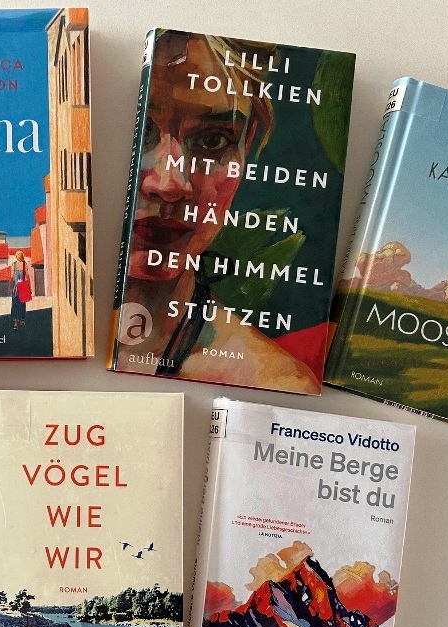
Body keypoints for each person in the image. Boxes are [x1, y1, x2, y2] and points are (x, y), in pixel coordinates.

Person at [116, 31, 318, 392]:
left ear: (247, 146)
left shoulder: (274, 381)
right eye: (142, 132)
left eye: (212, 140)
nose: (169, 184)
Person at [10, 250, 31, 331]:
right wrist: (29, 286)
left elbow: (12, 276)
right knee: (22, 303)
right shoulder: (24, 264)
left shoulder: (14, 264)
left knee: (15, 304)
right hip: (22, 286)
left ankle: (15, 323)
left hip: (16, 286)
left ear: (16, 257)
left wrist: (11, 286)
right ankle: (22, 320)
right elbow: (27, 276)